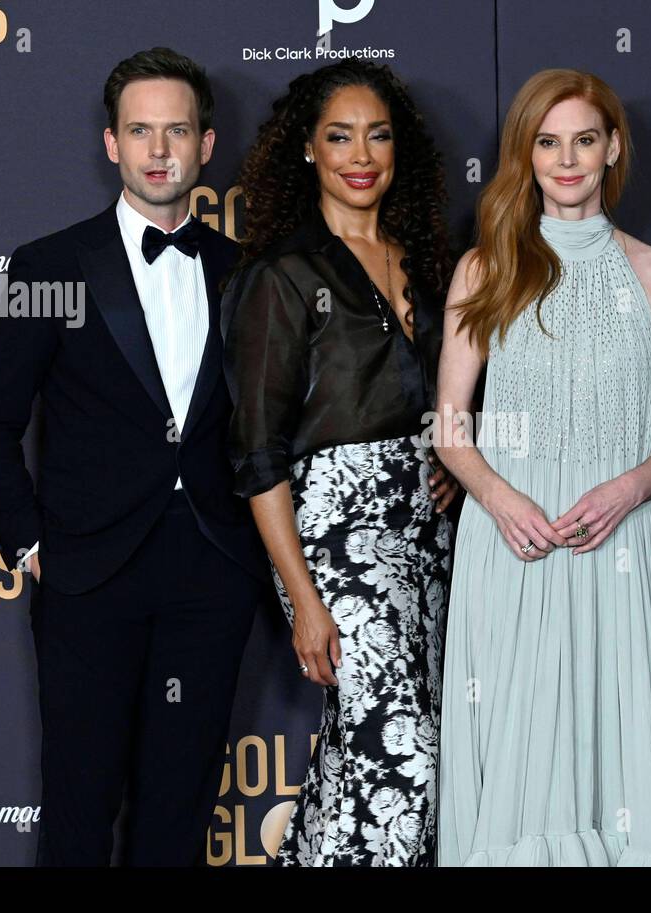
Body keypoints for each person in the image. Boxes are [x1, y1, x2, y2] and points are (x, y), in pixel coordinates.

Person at [0, 48, 264, 865]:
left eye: (177, 130)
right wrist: (27, 543)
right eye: (140, 131)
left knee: (178, 808)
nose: (159, 149)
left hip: (211, 567)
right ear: (111, 145)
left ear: (206, 145)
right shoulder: (48, 266)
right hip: (87, 571)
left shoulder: (247, 274)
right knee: (79, 804)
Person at [434, 69, 651, 866]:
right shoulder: (484, 270)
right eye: (547, 143)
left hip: (619, 542)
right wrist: (500, 498)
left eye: (584, 139)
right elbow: (450, 424)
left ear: (612, 147)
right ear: (525, 155)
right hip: (511, 541)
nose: (567, 159)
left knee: (613, 737)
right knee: (516, 736)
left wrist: (631, 487)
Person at [222, 58, 458, 866]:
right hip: (336, 546)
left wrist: (458, 464)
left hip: (436, 539)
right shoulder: (282, 275)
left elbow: (464, 401)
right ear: (307, 152)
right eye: (339, 135)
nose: (362, 154)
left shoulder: (431, 263)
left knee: (367, 763)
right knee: (405, 757)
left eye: (378, 134)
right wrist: (303, 600)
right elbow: (256, 452)